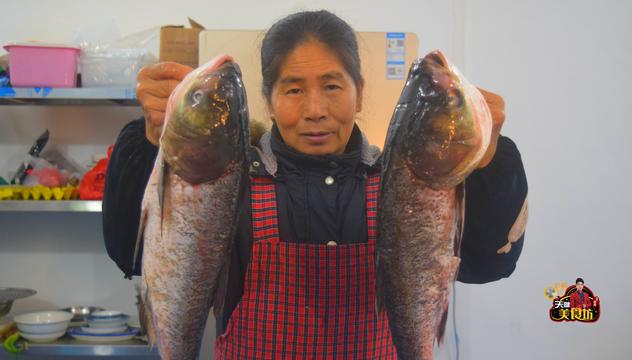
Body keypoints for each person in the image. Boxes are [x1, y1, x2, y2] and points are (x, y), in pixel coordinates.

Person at [102, 10, 528, 358]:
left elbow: (490, 264)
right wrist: (147, 141)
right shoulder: (229, 182)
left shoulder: (404, 187)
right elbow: (130, 254)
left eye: (332, 85)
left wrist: (490, 160)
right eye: (293, 89)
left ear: (359, 94)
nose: (315, 110)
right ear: (268, 98)